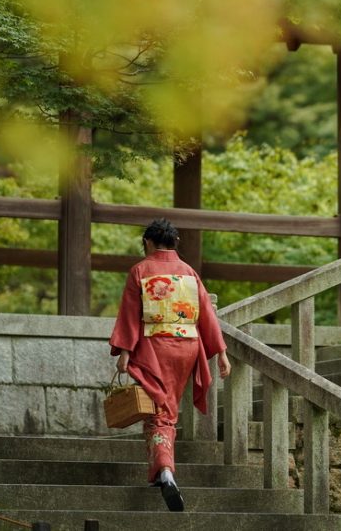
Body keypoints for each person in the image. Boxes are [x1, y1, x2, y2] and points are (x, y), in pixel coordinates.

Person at [109, 219, 231, 512]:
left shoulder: (140, 270)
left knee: (159, 413)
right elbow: (206, 316)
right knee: (165, 408)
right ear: (174, 243)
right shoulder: (189, 272)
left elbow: (130, 313)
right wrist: (222, 353)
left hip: (154, 347)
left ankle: (166, 471)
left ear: (149, 242)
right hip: (187, 345)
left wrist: (124, 351)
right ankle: (158, 471)